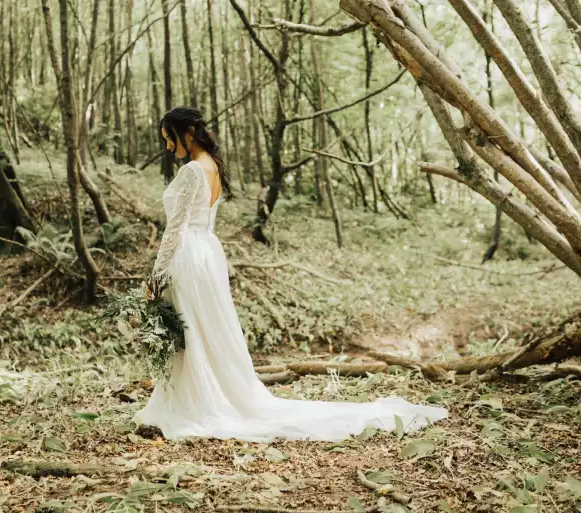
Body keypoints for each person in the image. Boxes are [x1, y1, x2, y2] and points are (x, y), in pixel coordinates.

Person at [135, 106, 447, 442]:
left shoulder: (192, 171)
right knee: (199, 330)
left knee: (190, 329)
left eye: (170, 139)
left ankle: (192, 406)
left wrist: (157, 273)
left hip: (188, 254)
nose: (168, 147)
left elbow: (175, 229)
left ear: (189, 133)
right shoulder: (213, 168)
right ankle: (194, 400)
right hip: (207, 252)